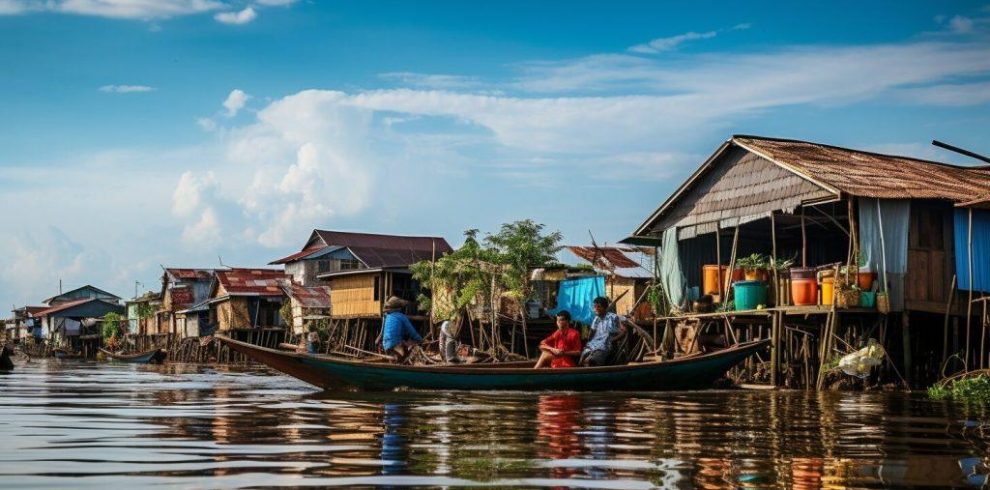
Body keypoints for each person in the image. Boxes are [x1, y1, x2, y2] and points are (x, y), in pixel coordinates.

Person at [579, 296, 625, 367]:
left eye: (599, 307)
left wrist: (613, 340)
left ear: (605, 308)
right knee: (582, 360)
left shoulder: (613, 317)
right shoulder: (596, 319)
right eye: (595, 307)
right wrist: (587, 341)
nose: (596, 309)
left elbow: (624, 330)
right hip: (593, 345)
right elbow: (592, 332)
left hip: (605, 346)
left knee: (592, 361)